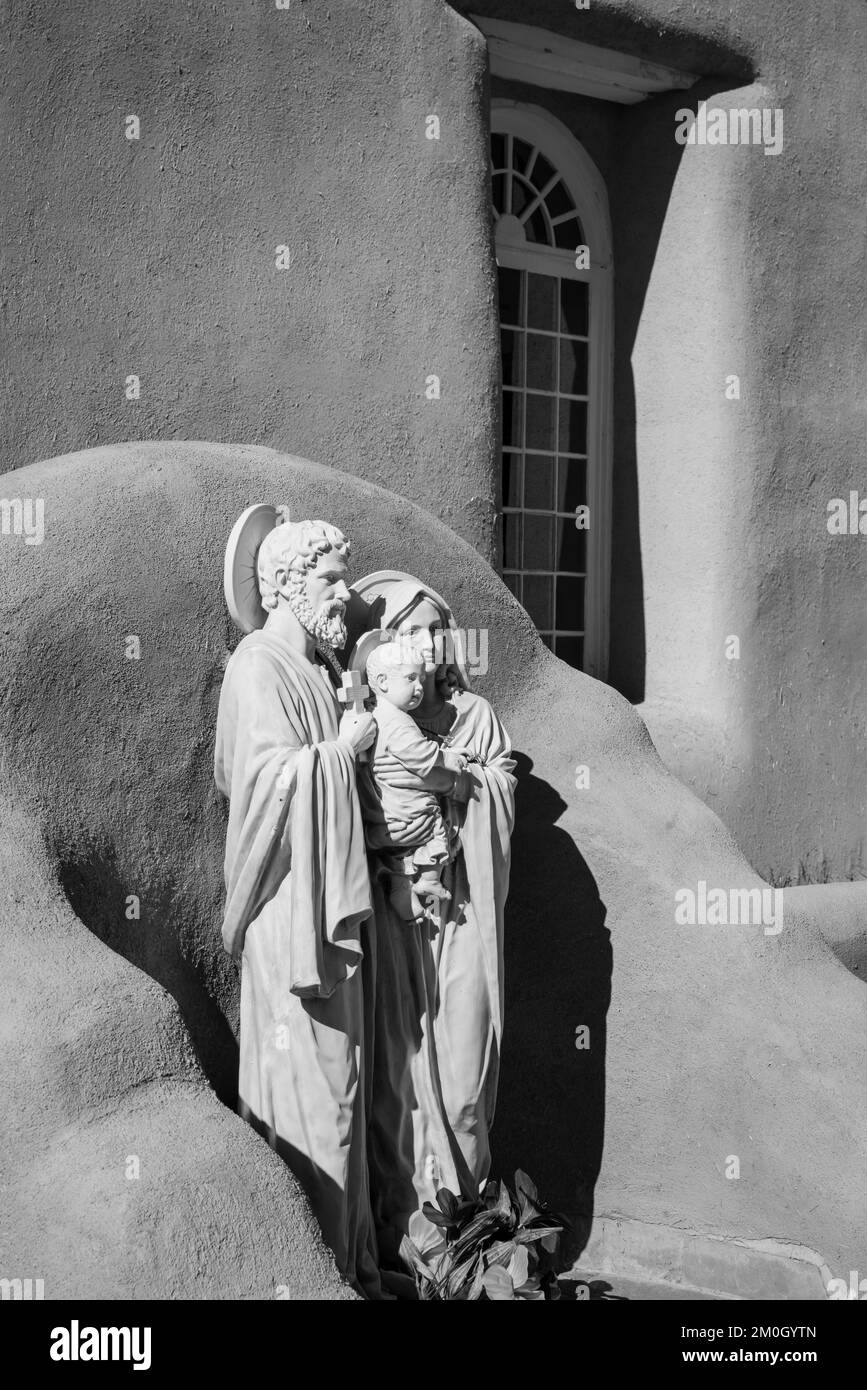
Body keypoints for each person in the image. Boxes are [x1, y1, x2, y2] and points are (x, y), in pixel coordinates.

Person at [214, 515, 383, 1298]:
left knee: (342, 1086)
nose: (344, 596)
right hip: (290, 916)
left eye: (345, 579)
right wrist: (340, 755)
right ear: (283, 584)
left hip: (333, 909)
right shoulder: (258, 665)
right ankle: (302, 1274)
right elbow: (260, 783)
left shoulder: (318, 671)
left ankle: (343, 1264)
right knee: (308, 1089)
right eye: (329, 579)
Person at [357, 578, 517, 1278]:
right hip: (397, 920)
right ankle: (416, 1241)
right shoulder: (364, 724)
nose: (425, 645)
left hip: (464, 909)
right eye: (408, 631)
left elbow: (499, 786)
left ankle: (471, 1239)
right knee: (400, 1085)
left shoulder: (473, 716)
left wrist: (464, 785)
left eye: (433, 630)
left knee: (461, 1085)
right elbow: (350, 817)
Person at [357, 635, 469, 924]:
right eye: (410, 678)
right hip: (403, 810)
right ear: (382, 681)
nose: (419, 687)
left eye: (420, 679)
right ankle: (430, 879)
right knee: (437, 826)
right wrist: (447, 759)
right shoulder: (395, 722)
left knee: (401, 858)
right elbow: (418, 756)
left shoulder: (380, 716)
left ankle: (402, 891)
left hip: (385, 811)